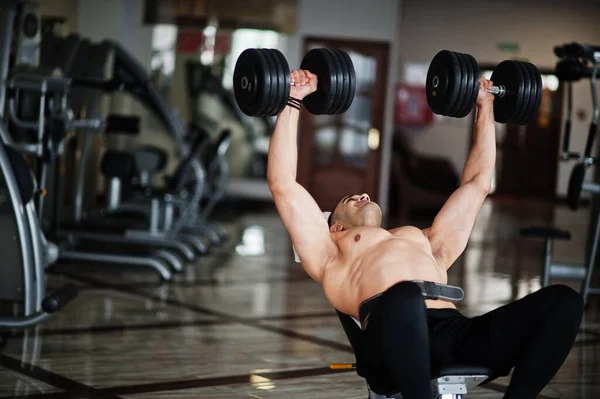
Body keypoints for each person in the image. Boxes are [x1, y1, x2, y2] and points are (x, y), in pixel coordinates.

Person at [267, 68, 584, 399]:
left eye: (363, 195)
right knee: (404, 297)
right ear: (336, 228)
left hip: (453, 333)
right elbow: (283, 184)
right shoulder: (330, 253)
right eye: (350, 200)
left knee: (565, 302)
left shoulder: (425, 241)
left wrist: (485, 106)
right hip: (385, 346)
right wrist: (294, 98)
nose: (363, 195)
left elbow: (477, 184)